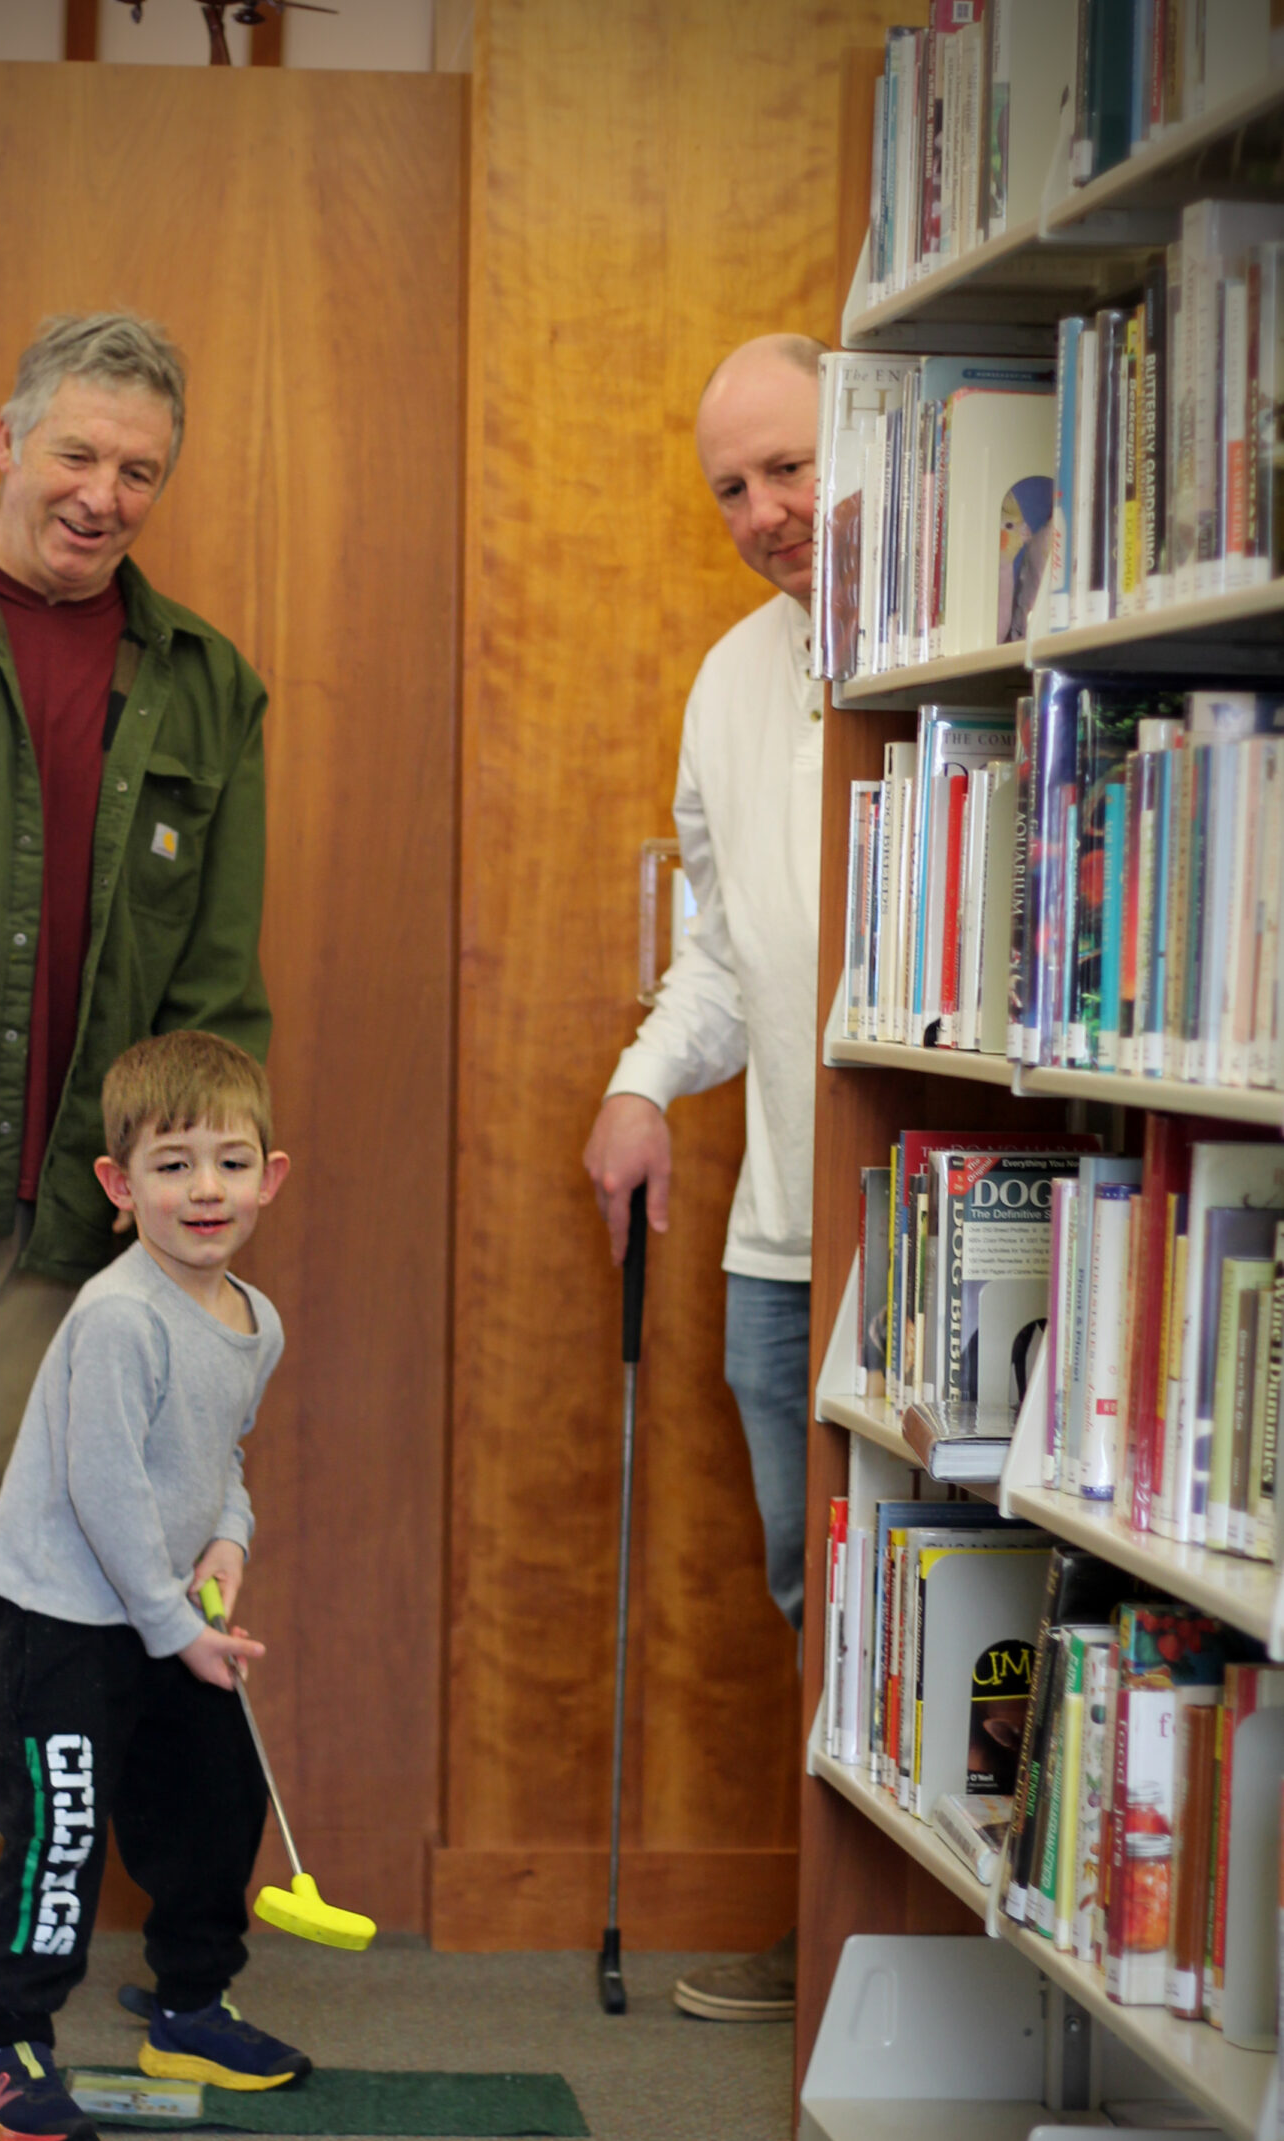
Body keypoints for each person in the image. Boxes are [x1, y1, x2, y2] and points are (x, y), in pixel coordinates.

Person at [0, 312, 271, 2008]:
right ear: (6, 440)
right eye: (74, 454)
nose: (101, 495)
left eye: (138, 469)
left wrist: (198, 1208)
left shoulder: (206, 685)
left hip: (65, 1229)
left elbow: (217, 983)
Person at [581, 332, 825, 2026]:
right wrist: (638, 1086)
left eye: (791, 467)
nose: (764, 511)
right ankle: (840, 1942)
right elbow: (724, 963)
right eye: (732, 487)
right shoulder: (733, 674)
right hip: (777, 1248)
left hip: (952, 1232)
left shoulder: (978, 641)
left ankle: (914, 1949)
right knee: (822, 1601)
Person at [0, 1029, 297, 2141]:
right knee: (61, 1834)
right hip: (64, 1609)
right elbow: (104, 1490)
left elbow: (220, 1460)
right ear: (118, 1184)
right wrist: (171, 1624)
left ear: (270, 1177)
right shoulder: (118, 1316)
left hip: (163, 1603)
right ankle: (9, 2045)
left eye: (231, 1162)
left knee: (215, 1801)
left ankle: (191, 2011)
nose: (206, 1189)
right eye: (172, 1163)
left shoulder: (256, 1319)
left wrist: (229, 1549)